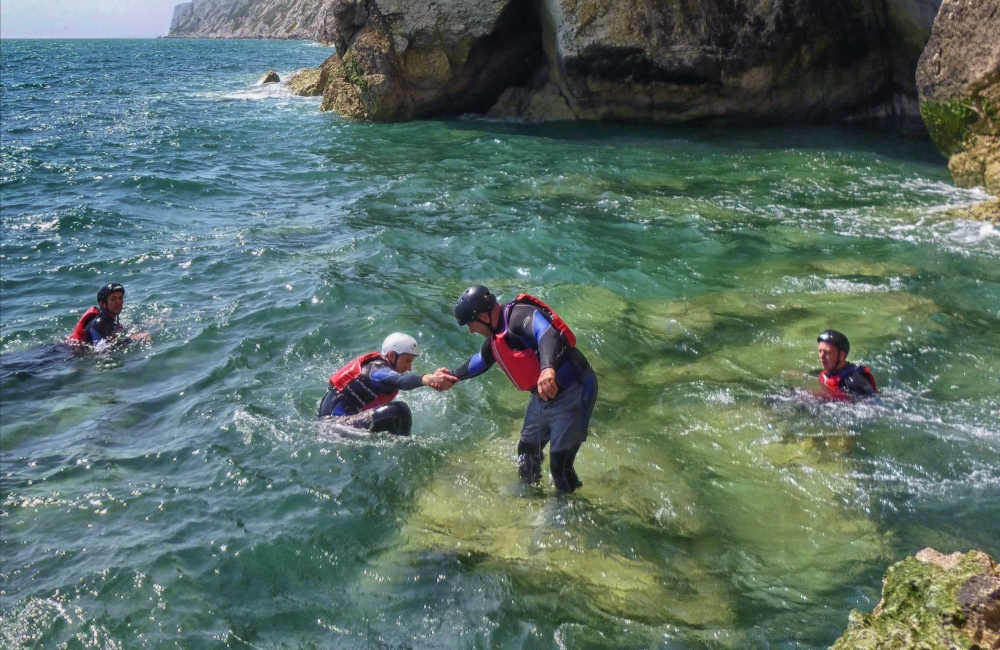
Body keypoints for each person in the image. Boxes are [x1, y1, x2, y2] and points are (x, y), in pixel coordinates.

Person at [449, 286, 597, 493]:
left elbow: (546, 332)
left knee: (560, 468)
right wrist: (451, 376)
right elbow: (481, 361)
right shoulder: (496, 335)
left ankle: (569, 514)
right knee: (526, 456)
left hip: (574, 392)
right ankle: (531, 500)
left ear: (483, 316)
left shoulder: (519, 315)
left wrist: (547, 368)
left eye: (471, 325)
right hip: (542, 400)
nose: (472, 331)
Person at [318, 333, 456, 436]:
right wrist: (427, 378)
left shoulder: (380, 370)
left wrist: (432, 380)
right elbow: (401, 381)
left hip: (336, 424)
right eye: (407, 361)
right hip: (334, 426)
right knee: (399, 411)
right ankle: (404, 448)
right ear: (391, 356)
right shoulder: (376, 370)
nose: (409, 367)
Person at [817, 329, 878, 400]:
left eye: (827, 352)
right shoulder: (829, 370)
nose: (821, 356)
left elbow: (871, 403)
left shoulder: (854, 382)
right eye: (820, 351)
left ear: (842, 355)